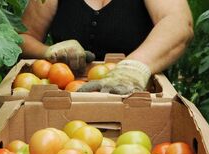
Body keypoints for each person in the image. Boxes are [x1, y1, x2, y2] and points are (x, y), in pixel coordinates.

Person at [19, 0, 194, 94]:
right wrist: (49, 52)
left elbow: (179, 23)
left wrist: (132, 68)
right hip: (63, 103)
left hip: (137, 100)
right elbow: (23, 38)